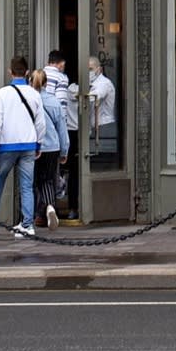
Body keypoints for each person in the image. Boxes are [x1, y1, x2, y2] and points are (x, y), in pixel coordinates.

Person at [0, 57, 43, 239]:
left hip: (7, 145)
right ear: (27, 72)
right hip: (28, 145)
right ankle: (28, 224)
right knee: (27, 186)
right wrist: (38, 143)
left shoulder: (3, 93)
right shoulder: (34, 94)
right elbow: (41, 124)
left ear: (10, 72)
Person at [32, 61, 69, 228]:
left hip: (33, 146)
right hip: (52, 146)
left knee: (32, 182)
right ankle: (49, 208)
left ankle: (35, 215)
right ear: (47, 83)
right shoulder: (54, 101)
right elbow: (62, 128)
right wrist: (64, 151)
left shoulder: (29, 100)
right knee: (47, 180)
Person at [44, 50, 79, 222]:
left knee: (41, 175)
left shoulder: (38, 75)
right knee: (54, 171)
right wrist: (63, 139)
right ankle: (55, 207)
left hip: (39, 131)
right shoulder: (62, 78)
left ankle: (41, 211)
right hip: (54, 133)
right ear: (60, 63)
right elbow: (61, 108)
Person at [87, 55, 118, 160]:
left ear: (99, 69)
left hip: (104, 126)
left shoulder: (104, 83)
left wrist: (77, 95)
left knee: (102, 158)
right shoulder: (92, 82)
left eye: (90, 69)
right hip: (95, 126)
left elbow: (94, 96)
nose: (88, 72)